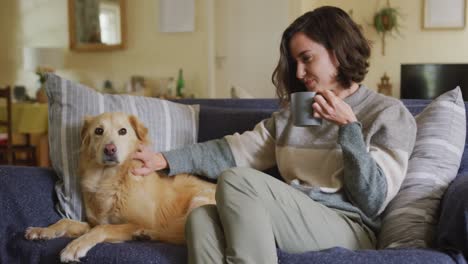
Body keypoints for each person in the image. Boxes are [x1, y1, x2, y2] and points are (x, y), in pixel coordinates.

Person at [132, 6, 416, 264]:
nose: (301, 72)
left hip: (351, 227)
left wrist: (349, 128)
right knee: (200, 219)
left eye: (307, 59)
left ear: (337, 51)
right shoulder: (295, 115)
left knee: (237, 180)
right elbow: (231, 151)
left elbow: (373, 199)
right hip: (292, 216)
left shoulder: (387, 114)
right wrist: (163, 160)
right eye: (295, 63)